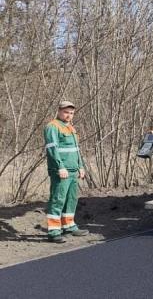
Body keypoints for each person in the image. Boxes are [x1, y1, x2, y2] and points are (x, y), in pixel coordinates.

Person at [44, 101, 89, 243]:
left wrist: (81, 166)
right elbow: (52, 149)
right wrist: (60, 167)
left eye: (71, 113)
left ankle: (69, 225)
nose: (69, 115)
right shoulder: (52, 126)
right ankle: (54, 231)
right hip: (61, 171)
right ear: (59, 111)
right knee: (58, 199)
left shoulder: (70, 127)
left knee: (71, 199)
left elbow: (76, 149)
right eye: (66, 112)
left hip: (73, 170)